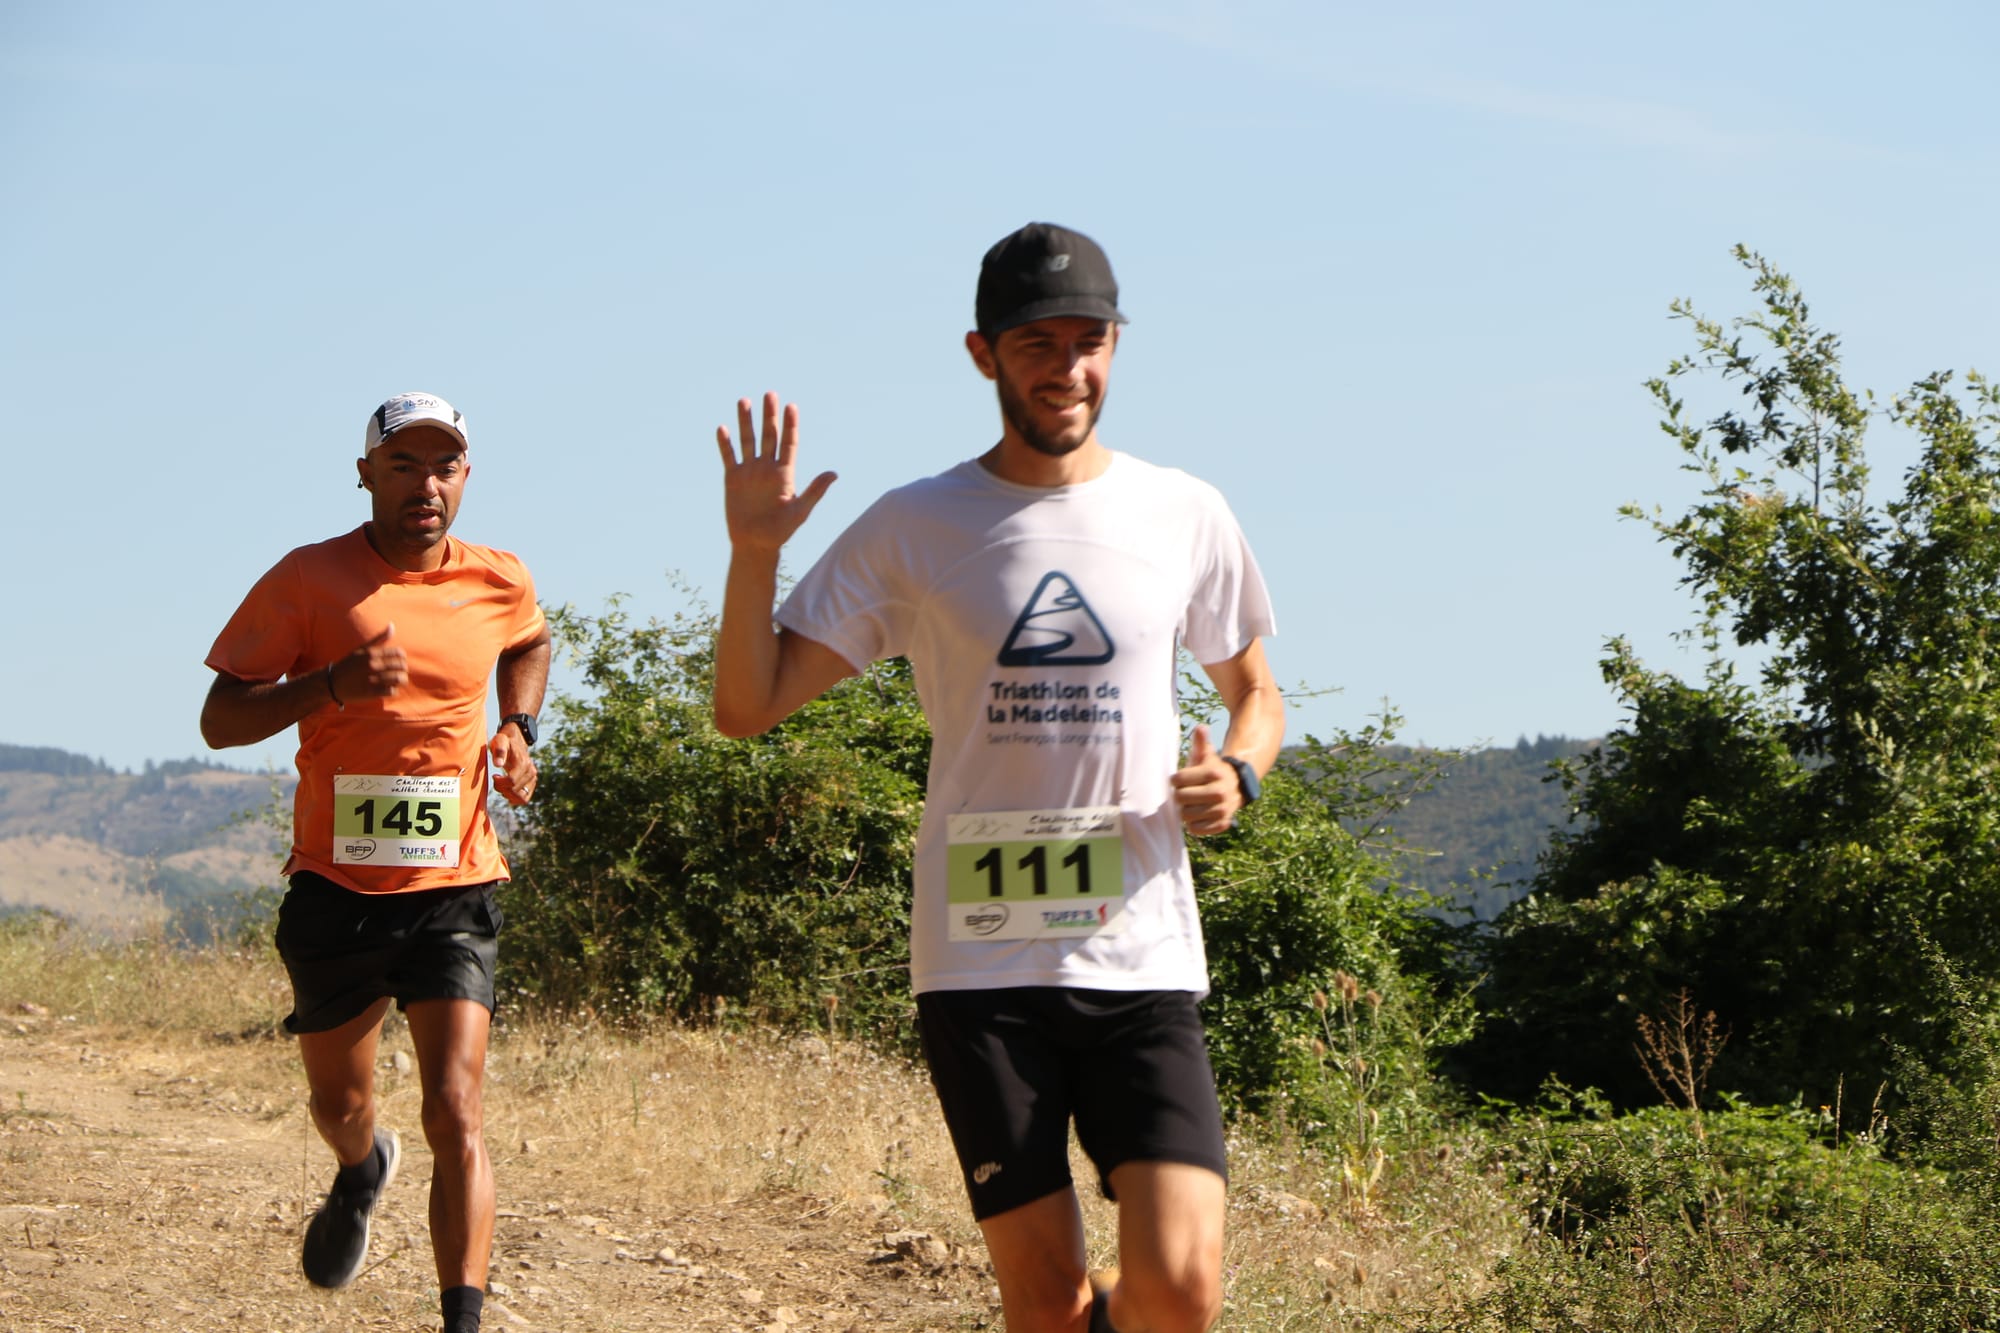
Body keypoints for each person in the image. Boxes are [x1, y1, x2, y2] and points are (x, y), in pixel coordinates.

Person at [713, 223, 1282, 1333]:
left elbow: (1256, 694)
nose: (1063, 368)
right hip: (979, 966)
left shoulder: (1183, 511)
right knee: (1045, 1302)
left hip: (1139, 950)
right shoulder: (917, 525)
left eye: (1086, 342)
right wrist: (751, 553)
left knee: (1180, 1288)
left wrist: (1241, 778)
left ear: (1115, 349)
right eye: (1035, 342)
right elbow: (747, 707)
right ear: (983, 355)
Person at [200, 392, 550, 1333]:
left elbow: (528, 639)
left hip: (456, 883)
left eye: (443, 468)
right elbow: (220, 718)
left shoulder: (499, 578)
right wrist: (326, 685)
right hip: (337, 887)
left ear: (465, 478)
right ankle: (360, 1168)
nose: (425, 486)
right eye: (403, 467)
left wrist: (517, 727)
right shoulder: (309, 581)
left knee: (456, 1108)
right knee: (341, 1103)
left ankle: (462, 1322)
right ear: (365, 476)